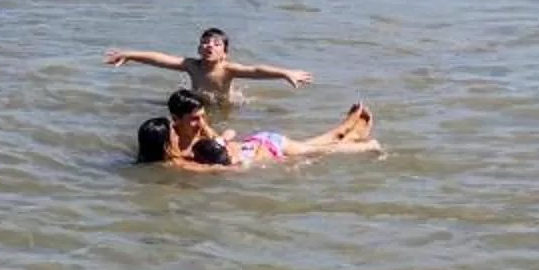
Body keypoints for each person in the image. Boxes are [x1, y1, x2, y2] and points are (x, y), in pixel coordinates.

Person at [134, 89, 379, 170]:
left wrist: (225, 146)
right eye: (195, 119)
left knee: (316, 150)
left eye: (201, 117)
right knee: (312, 147)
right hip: (257, 144)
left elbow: (220, 154)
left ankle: (359, 140)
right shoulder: (171, 143)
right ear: (175, 119)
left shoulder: (187, 144)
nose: (200, 123)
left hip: (259, 147)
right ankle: (350, 132)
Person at [105, 27, 310, 109]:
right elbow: (160, 59)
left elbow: (256, 70)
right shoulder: (192, 66)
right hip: (199, 104)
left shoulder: (229, 69)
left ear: (225, 52)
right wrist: (130, 54)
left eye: (216, 44)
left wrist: (285, 73)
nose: (209, 46)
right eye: (205, 43)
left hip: (223, 105)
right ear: (198, 48)